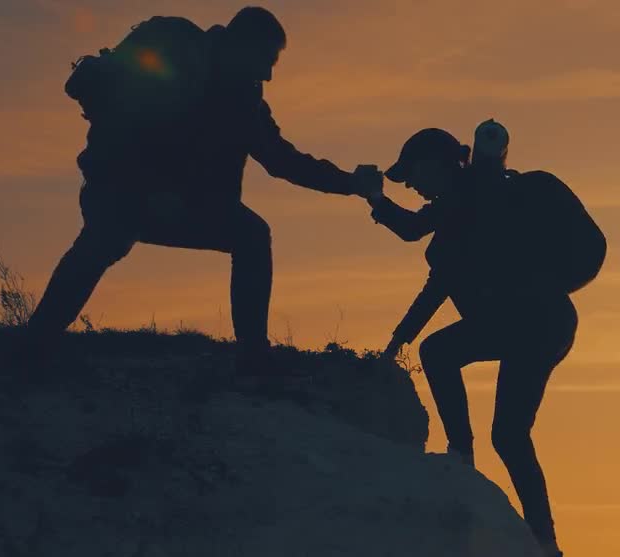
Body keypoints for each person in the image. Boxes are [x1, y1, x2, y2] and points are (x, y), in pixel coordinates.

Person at [26, 7, 382, 375]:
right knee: (105, 241)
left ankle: (253, 354)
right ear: (245, 46)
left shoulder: (244, 98)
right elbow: (131, 127)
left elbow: (281, 160)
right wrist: (151, 190)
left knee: (250, 236)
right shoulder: (180, 62)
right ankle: (35, 343)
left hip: (177, 202)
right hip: (121, 191)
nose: (269, 74)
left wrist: (350, 183)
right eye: (267, 60)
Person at [366, 125, 579, 557]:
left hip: (531, 320)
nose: (414, 186)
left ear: (438, 165)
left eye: (415, 176)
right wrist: (398, 339)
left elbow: (410, 229)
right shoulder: (461, 213)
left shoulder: (467, 196)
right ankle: (545, 543)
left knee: (446, 360)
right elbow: (437, 286)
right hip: (539, 321)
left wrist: (376, 200)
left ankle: (462, 455)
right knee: (508, 432)